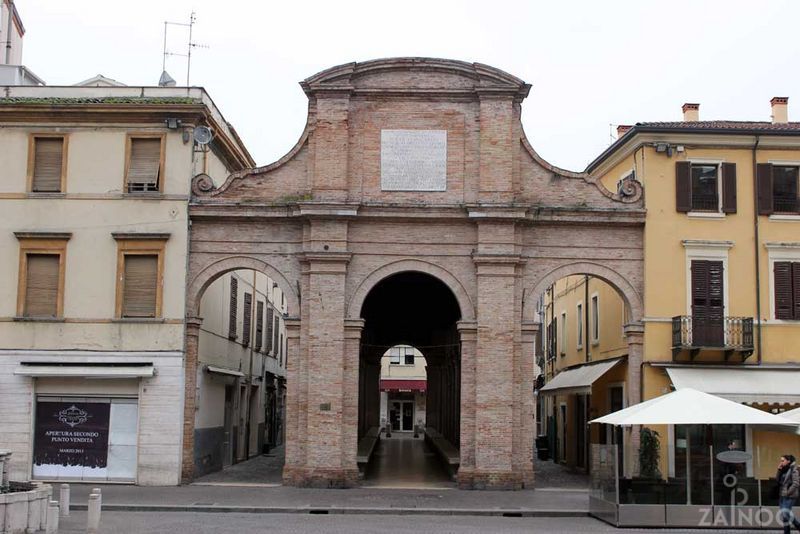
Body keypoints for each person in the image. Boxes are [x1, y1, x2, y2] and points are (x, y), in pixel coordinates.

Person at [777, 454, 800, 533]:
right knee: (784, 516)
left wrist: (787, 492)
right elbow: (777, 481)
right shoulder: (783, 469)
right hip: (781, 495)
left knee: (786, 514)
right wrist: (779, 470)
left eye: (783, 460)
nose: (781, 462)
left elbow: (796, 483)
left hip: (789, 496)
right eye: (781, 460)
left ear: (788, 461)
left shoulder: (794, 469)